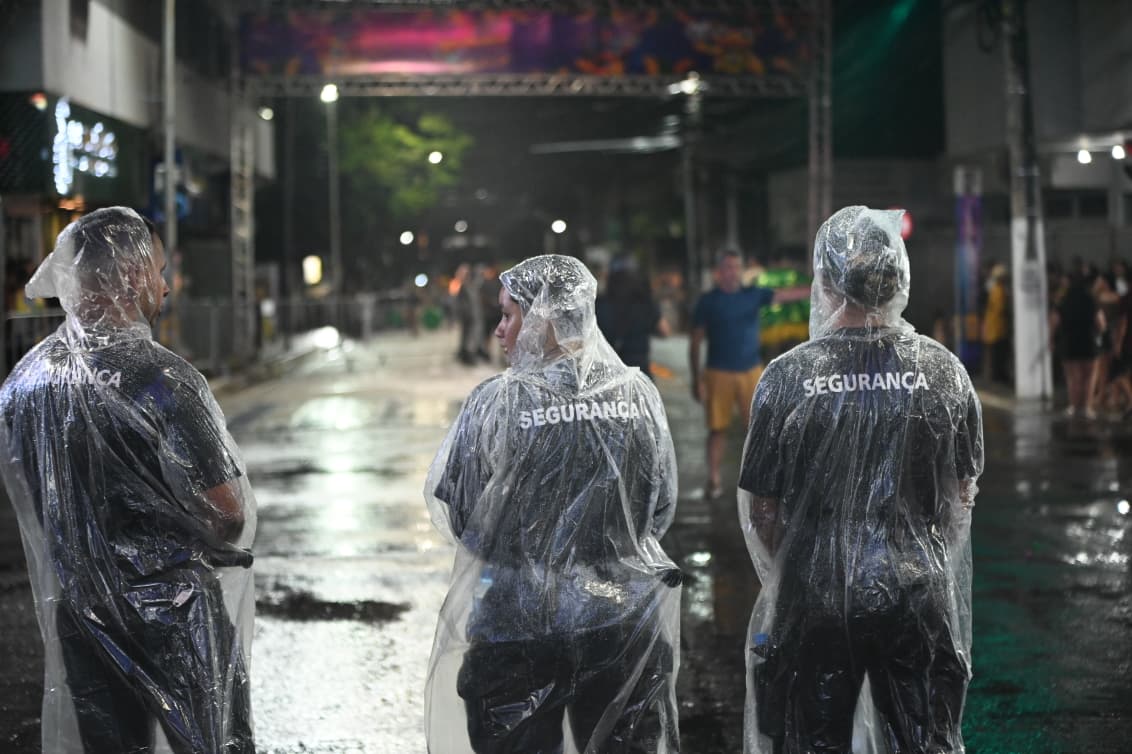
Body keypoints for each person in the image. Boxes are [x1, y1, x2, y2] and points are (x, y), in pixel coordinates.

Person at [0, 207, 257, 754]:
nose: (164, 286)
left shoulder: (25, 381)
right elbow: (228, 514)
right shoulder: (164, 379)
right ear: (131, 275)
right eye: (159, 270)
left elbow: (32, 494)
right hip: (175, 615)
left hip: (82, 612)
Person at [737, 206, 984, 754]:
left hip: (816, 595)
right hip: (917, 592)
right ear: (898, 277)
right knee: (922, 740)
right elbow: (963, 493)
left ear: (824, 281)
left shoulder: (786, 377)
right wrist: (919, 553)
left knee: (815, 741)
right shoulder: (944, 371)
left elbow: (764, 511)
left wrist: (803, 569)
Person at [424, 254, 682, 753]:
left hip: (517, 625)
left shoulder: (496, 402)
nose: (499, 330)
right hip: (619, 622)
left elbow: (464, 518)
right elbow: (659, 506)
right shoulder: (637, 394)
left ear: (541, 317)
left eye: (508, 316)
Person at [690, 250, 797, 500]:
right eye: (727, 267)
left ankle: (759, 480)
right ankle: (714, 478)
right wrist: (697, 379)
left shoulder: (753, 295)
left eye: (736, 267)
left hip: (751, 371)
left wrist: (818, 286)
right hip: (718, 372)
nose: (733, 272)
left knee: (757, 429)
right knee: (717, 430)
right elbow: (695, 342)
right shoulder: (708, 301)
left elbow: (786, 295)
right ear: (719, 272)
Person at [596, 255, 671, 379]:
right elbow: (664, 331)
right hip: (639, 374)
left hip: (609, 375)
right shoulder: (646, 303)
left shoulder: (599, 304)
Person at [1051, 270, 1104, 419]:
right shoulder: (1091, 300)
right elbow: (1100, 323)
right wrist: (1099, 333)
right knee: (1089, 378)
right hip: (1089, 343)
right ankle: (1087, 408)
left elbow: (1054, 322)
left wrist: (1051, 340)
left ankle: (1074, 407)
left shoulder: (1063, 300)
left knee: (1073, 378)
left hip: (1069, 344)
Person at [981, 263, 1010, 385]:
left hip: (993, 327)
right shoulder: (999, 291)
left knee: (996, 354)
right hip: (997, 328)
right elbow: (1000, 310)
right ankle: (999, 376)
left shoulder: (995, 289)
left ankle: (996, 376)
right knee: (999, 354)